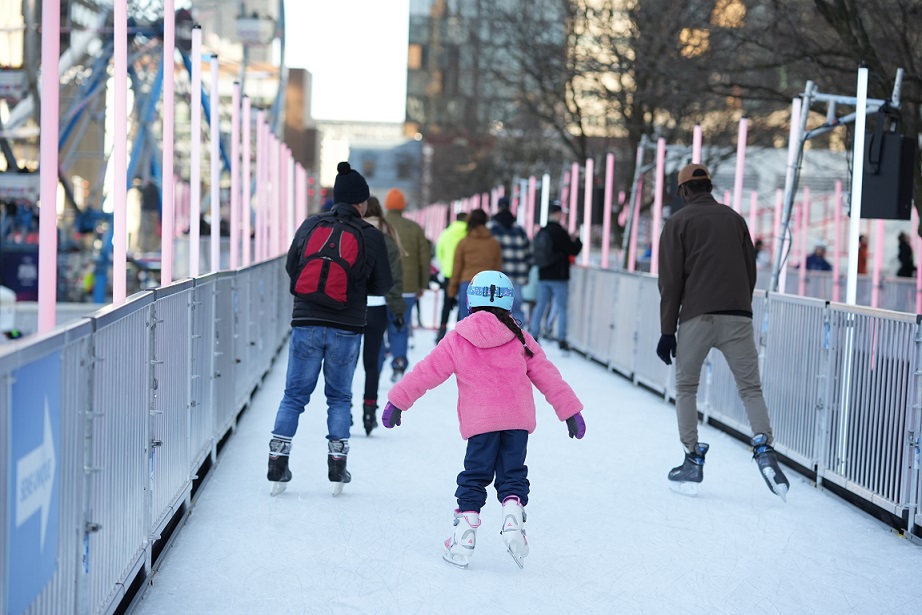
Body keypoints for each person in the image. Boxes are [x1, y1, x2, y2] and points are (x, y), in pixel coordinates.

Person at [381, 270, 585, 569]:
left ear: (470, 301)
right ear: (509, 301)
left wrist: (398, 401)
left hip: (481, 424)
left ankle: (463, 538)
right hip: (517, 422)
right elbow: (547, 374)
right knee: (512, 474)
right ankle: (513, 517)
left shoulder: (458, 338)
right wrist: (570, 410)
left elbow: (426, 372)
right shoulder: (519, 337)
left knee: (475, 476)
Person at [656, 163, 789, 501]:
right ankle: (763, 447)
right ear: (710, 187)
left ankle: (692, 458)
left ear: (685, 191)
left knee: (686, 386)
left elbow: (671, 283)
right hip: (737, 315)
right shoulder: (734, 220)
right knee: (750, 388)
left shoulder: (678, 223)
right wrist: (740, 306)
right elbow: (750, 270)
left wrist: (667, 331)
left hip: (696, 317)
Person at [267, 162, 393, 497]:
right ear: (361, 203)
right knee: (338, 397)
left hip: (306, 321)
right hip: (346, 326)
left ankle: (277, 462)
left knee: (294, 396)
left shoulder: (310, 225)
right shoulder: (370, 235)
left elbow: (291, 266)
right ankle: (337, 467)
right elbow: (383, 285)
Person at [359, 195, 405, 436]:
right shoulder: (387, 237)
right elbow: (395, 279)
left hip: (351, 308)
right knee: (371, 364)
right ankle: (369, 410)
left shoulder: (352, 234)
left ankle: (342, 410)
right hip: (377, 307)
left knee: (344, 363)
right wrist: (397, 310)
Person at [383, 188, 430, 381]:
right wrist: (421, 284)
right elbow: (424, 258)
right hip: (407, 288)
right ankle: (399, 363)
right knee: (400, 326)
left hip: (382, 288)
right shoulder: (414, 228)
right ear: (403, 206)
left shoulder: (379, 226)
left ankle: (376, 366)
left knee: (379, 328)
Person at [528, 202, 582, 352]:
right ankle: (562, 338)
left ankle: (534, 334)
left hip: (544, 274)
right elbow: (573, 250)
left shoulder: (542, 231)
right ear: (559, 214)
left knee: (540, 305)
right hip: (559, 276)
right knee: (562, 307)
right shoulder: (560, 232)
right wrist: (577, 239)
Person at [447, 208, 502, 320]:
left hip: (468, 285)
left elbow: (457, 268)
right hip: (488, 287)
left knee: (466, 322)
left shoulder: (464, 242)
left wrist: (452, 290)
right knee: (486, 323)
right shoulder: (494, 243)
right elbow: (498, 269)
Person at [488, 196, 533, 324]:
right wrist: (526, 273)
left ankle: (498, 337)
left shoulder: (491, 228)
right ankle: (520, 338)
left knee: (497, 309)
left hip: (498, 276)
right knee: (517, 307)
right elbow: (529, 254)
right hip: (518, 275)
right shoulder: (519, 230)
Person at [435, 212, 468, 342]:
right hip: (464, 273)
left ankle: (441, 329)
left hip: (449, 273)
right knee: (463, 304)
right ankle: (459, 331)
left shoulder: (446, 233)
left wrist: (445, 266)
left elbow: (439, 251)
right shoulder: (468, 234)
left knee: (447, 304)